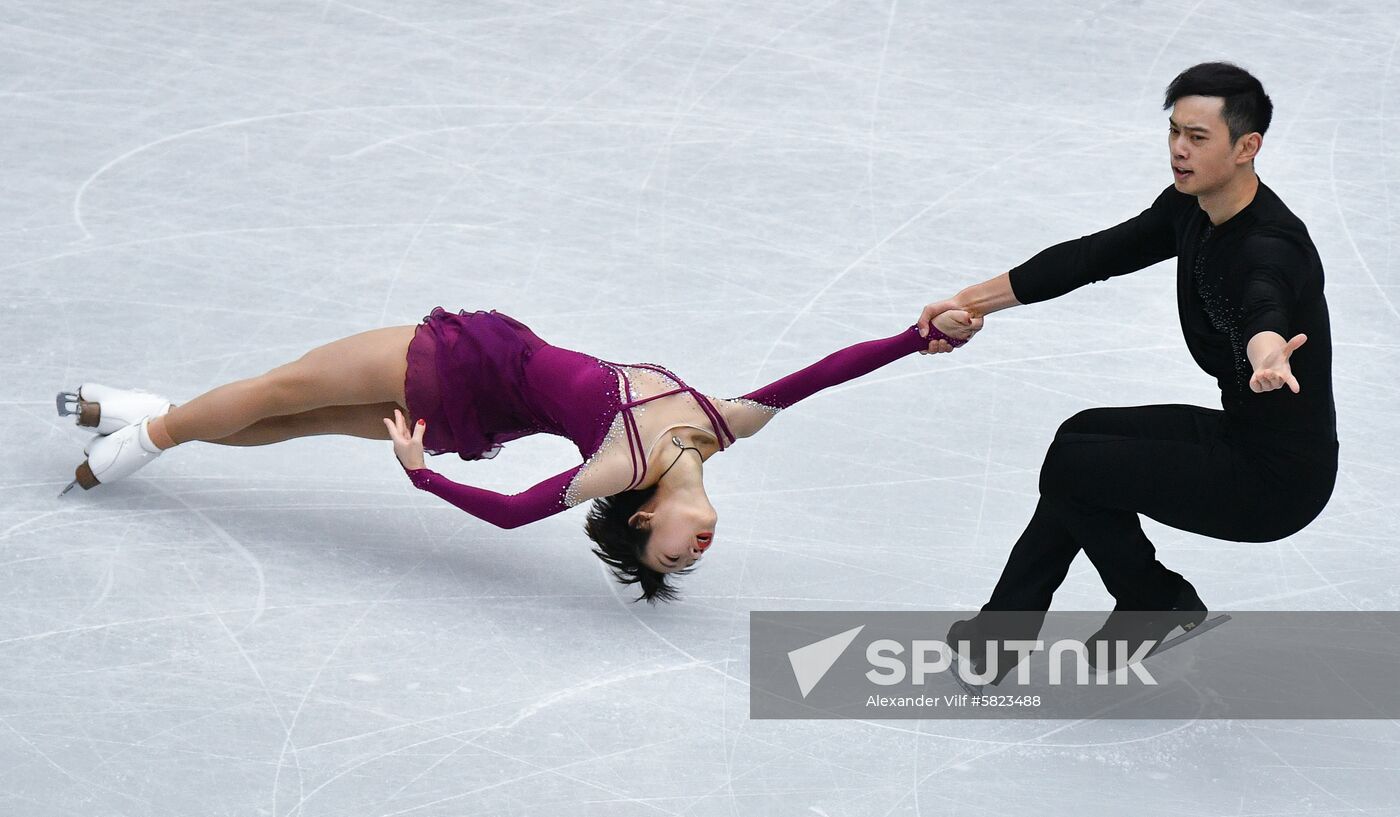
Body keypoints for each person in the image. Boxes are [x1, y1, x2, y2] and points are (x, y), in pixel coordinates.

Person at [59, 306, 978, 602]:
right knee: (283, 413)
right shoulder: (726, 425)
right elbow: (827, 372)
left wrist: (427, 478)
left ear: (645, 516)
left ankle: (132, 440)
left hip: (464, 365)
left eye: (666, 552)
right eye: (688, 555)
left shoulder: (620, 465)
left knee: (277, 396)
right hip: (478, 402)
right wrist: (916, 336)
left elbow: (509, 514)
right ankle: (145, 417)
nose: (694, 549)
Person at [915, 62, 1338, 675]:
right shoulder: (1190, 210)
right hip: (1241, 437)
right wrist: (969, 302)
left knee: (1075, 465)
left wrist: (1267, 351)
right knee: (1080, 435)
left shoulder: (1270, 245)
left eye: (1198, 137)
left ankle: (1140, 601)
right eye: (1174, 132)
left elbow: (1263, 305)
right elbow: (1093, 256)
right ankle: (1034, 628)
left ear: (1247, 147)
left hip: (1278, 484)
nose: (1178, 150)